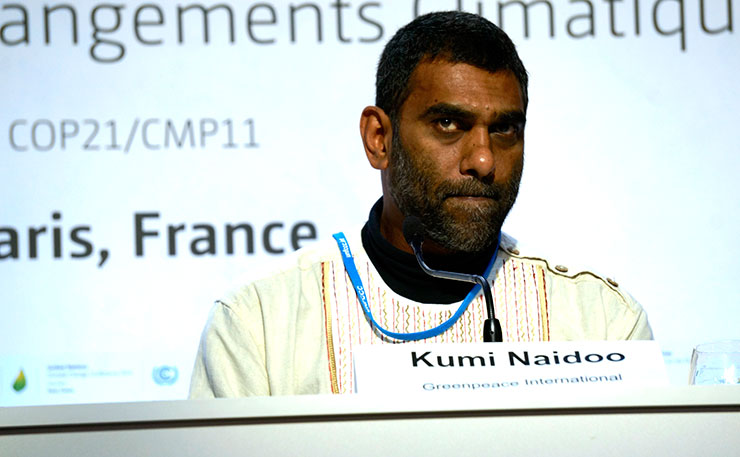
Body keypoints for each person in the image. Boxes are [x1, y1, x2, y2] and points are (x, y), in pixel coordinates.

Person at [189, 11, 652, 398]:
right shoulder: (259, 323)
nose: (484, 160)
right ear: (379, 139)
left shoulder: (602, 319)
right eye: (449, 123)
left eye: (505, 129)